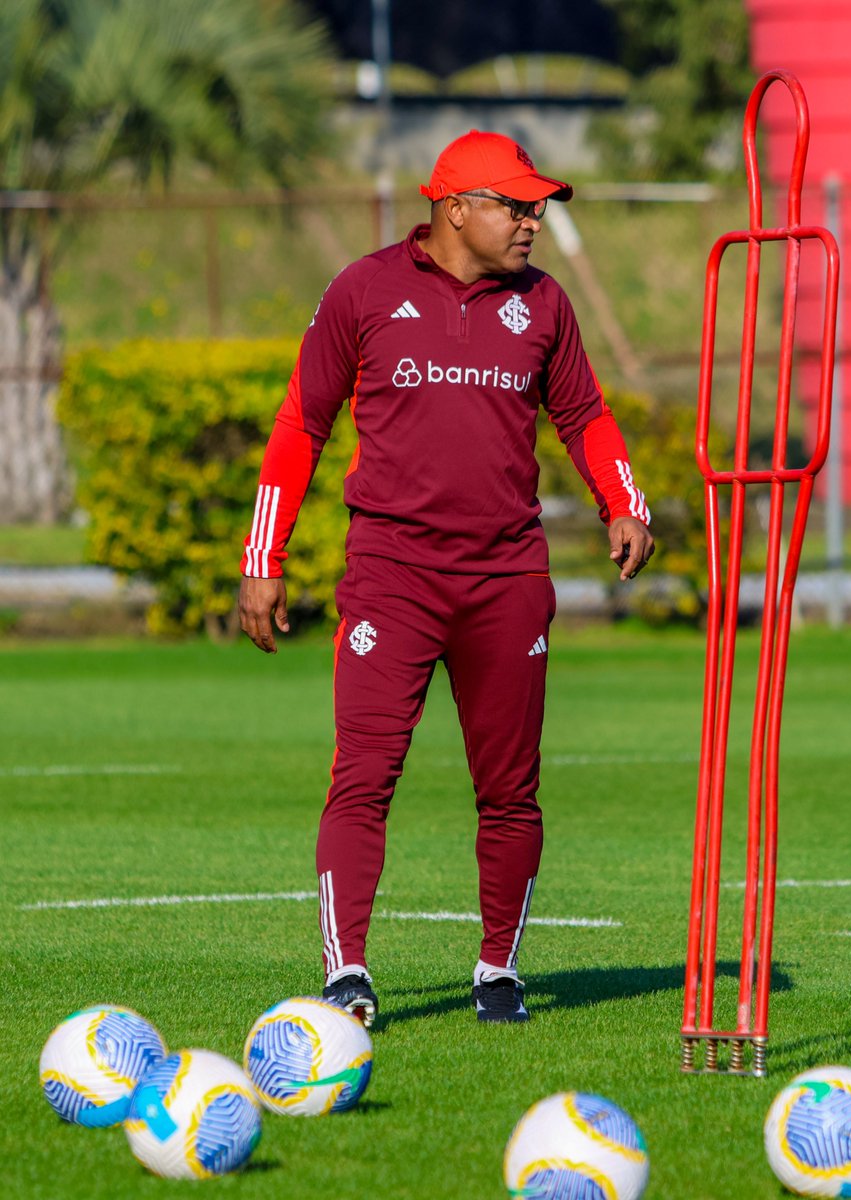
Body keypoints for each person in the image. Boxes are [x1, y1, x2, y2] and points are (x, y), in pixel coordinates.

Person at [238, 130, 654, 1026]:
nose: (533, 222)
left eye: (538, 207)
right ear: (455, 209)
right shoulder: (363, 290)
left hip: (508, 578)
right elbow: (301, 423)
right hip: (392, 577)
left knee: (509, 791)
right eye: (516, 205)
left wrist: (625, 502)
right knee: (363, 777)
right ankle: (346, 975)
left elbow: (584, 414)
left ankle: (499, 971)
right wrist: (262, 557)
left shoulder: (543, 303)